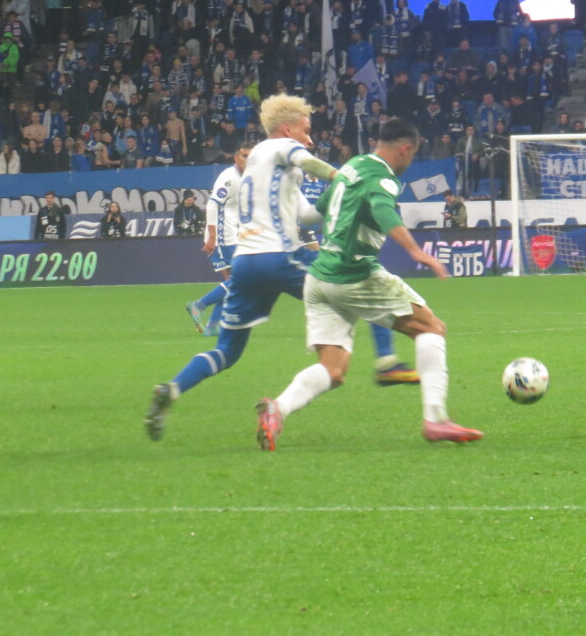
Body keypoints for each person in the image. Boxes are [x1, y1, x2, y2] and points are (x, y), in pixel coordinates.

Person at [255, 118, 482, 451]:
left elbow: (313, 213)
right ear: (405, 149)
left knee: (333, 370)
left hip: (319, 278)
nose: (410, 161)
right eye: (412, 155)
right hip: (354, 273)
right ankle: (436, 418)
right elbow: (383, 211)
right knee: (431, 328)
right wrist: (417, 251)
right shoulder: (383, 178)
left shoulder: (352, 167)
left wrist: (283, 193)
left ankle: (278, 408)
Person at [145, 94, 345, 441]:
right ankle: (387, 361)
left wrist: (331, 198)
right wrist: (344, 178)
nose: (311, 140)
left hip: (247, 263)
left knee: (227, 351)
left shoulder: (260, 165)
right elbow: (308, 160)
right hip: (280, 256)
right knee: (355, 286)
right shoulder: (281, 147)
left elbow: (308, 214)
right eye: (306, 131)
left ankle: (172, 389)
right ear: (287, 129)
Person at [186, 144, 250, 338]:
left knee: (233, 282)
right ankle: (199, 305)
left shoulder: (247, 177)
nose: (248, 159)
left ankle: (213, 325)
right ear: (236, 158)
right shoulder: (229, 177)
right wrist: (213, 236)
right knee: (241, 279)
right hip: (222, 236)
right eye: (245, 155)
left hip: (232, 234)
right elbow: (213, 205)